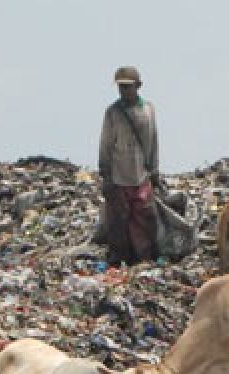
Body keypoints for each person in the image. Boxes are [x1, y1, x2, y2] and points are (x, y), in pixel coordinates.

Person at [98, 65, 161, 265]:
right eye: (121, 87)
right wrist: (106, 174)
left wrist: (154, 171)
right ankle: (120, 259)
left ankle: (144, 259)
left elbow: (154, 141)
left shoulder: (148, 109)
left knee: (144, 219)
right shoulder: (113, 113)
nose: (124, 91)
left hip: (142, 175)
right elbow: (106, 144)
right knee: (118, 221)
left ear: (138, 86)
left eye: (128, 87)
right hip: (119, 176)